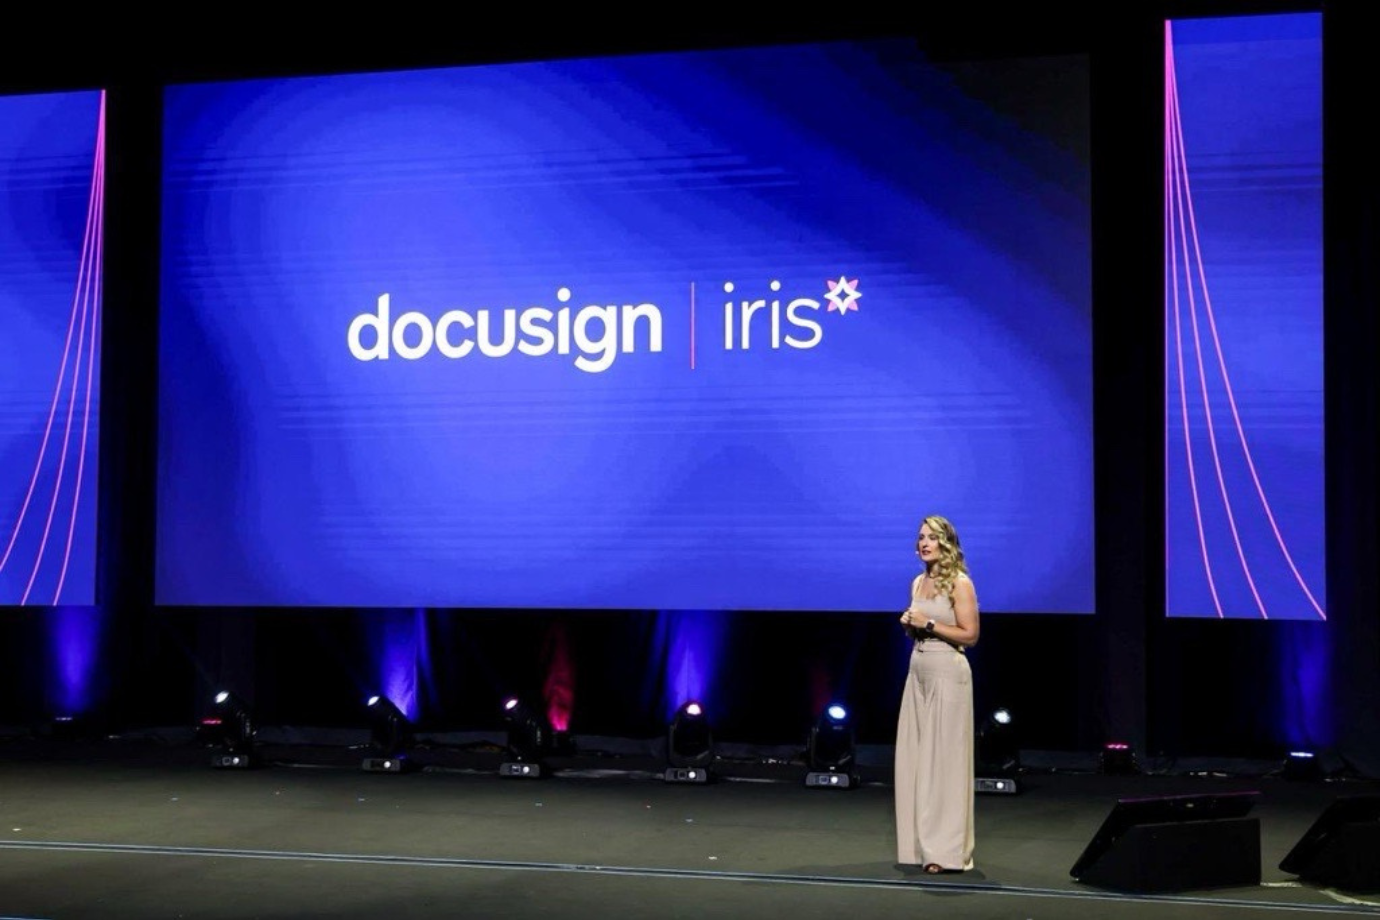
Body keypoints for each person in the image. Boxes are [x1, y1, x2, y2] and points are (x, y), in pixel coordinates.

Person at [894, 514, 980, 873]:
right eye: (921, 537)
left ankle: (945, 852)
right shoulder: (918, 582)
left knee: (944, 763)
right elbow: (921, 628)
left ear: (946, 543)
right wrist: (910, 626)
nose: (924, 543)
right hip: (919, 670)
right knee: (915, 760)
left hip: (948, 672)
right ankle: (918, 847)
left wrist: (928, 623)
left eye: (931, 537)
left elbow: (970, 635)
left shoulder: (959, 582)